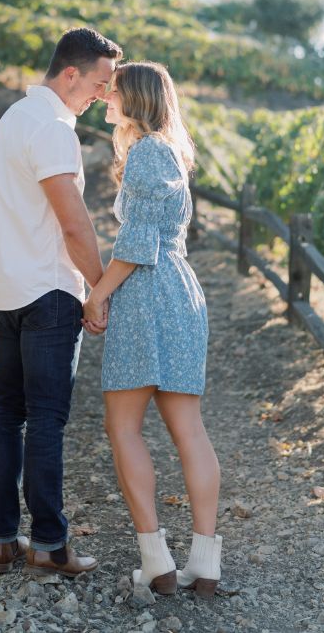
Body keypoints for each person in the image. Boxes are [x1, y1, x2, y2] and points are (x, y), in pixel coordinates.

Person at [0, 27, 121, 577]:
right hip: (48, 292)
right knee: (44, 421)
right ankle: (48, 544)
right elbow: (73, 224)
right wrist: (99, 287)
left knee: (7, 412)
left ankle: (1, 539)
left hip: (3, 288)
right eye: (99, 83)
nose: (103, 96)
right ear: (70, 74)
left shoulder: (13, 119)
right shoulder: (55, 129)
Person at [82, 61, 223, 598]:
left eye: (112, 91)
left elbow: (137, 247)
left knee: (123, 427)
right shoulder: (169, 152)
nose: (104, 98)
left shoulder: (144, 153)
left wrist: (97, 294)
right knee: (189, 431)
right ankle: (205, 564)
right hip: (182, 293)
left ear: (135, 98)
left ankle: (156, 559)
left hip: (146, 294)